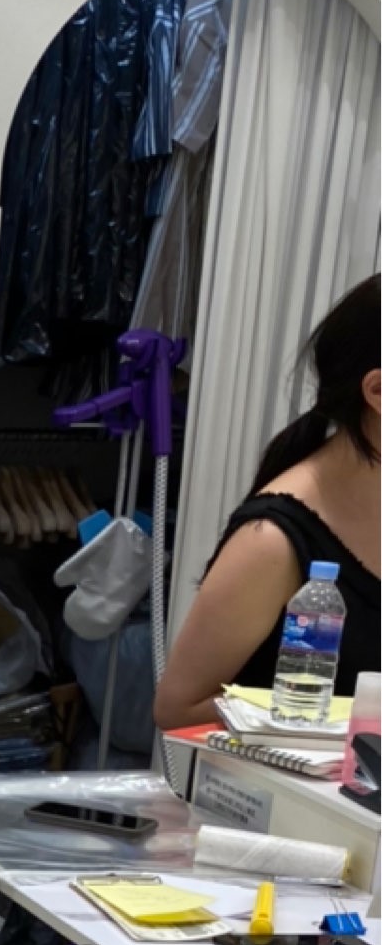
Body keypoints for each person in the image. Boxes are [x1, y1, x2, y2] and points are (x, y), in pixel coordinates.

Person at [154, 276, 380, 729]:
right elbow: (177, 710)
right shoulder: (272, 541)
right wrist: (346, 714)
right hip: (298, 775)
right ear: (376, 391)